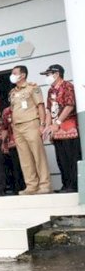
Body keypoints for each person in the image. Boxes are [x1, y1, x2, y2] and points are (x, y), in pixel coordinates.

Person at [9, 65, 51, 195]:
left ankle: (45, 185)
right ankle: (31, 185)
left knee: (38, 155)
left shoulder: (33, 87)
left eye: (15, 73)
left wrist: (42, 124)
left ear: (23, 75)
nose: (12, 75)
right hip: (18, 127)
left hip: (31, 123)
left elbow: (40, 106)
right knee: (25, 157)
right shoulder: (13, 92)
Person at [42, 64, 81, 193]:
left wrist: (57, 122)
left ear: (57, 74)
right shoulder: (50, 90)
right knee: (61, 158)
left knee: (71, 158)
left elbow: (69, 105)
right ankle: (66, 184)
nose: (47, 77)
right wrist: (47, 127)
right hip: (56, 129)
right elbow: (48, 110)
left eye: (48, 75)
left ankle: (74, 185)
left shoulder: (67, 86)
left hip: (68, 127)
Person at [1, 107, 25, 194]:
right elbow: (4, 128)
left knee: (26, 165)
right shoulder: (6, 111)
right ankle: (17, 188)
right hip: (12, 142)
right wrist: (3, 143)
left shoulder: (24, 107)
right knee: (15, 166)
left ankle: (29, 186)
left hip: (25, 141)